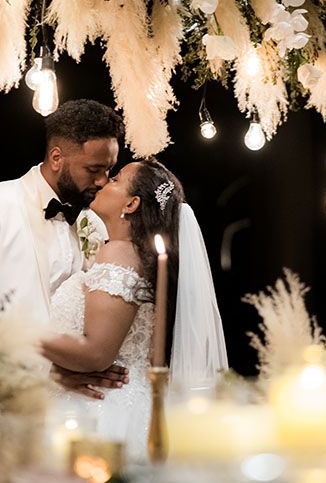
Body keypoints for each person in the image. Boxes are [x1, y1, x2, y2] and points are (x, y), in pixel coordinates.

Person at [41, 159, 228, 461]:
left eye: (114, 179)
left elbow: (96, 352)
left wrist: (23, 337)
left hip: (102, 414)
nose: (102, 182)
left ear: (131, 204)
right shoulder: (132, 253)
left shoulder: (119, 252)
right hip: (122, 404)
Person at [0, 98, 126, 398]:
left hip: (72, 409)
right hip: (2, 404)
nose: (103, 181)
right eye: (94, 169)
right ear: (57, 158)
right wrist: (49, 373)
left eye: (109, 170)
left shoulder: (95, 225)